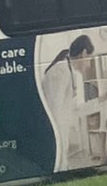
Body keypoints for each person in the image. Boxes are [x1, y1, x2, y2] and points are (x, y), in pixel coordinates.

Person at [41, 34, 95, 169]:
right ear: (83, 54)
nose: (88, 65)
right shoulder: (60, 71)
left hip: (60, 137)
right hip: (55, 138)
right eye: (89, 59)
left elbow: (73, 109)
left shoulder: (68, 71)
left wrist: (100, 102)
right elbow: (54, 111)